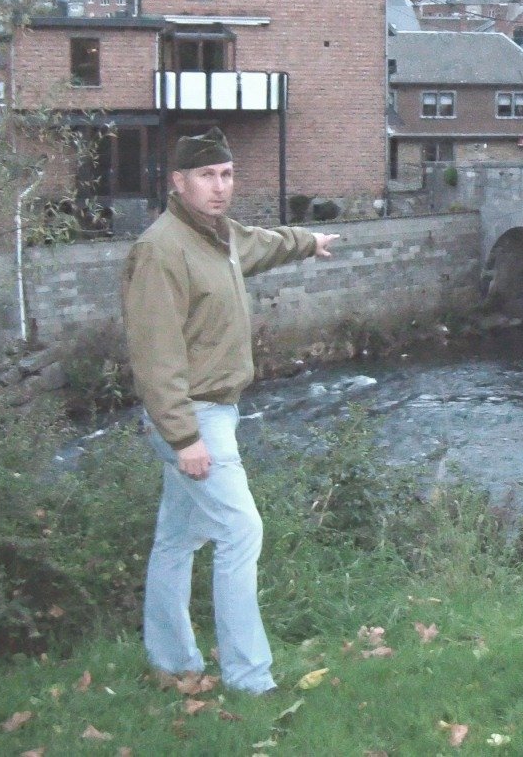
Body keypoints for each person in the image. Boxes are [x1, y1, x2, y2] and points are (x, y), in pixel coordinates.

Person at [122, 127, 338, 694]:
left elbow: (261, 245)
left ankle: (170, 659)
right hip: (193, 419)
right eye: (206, 175)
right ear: (178, 182)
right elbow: (154, 354)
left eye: (227, 174)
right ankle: (249, 677)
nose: (220, 187)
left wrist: (307, 241)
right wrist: (182, 436)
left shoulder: (219, 235)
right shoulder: (160, 249)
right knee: (242, 530)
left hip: (217, 411)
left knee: (177, 539)